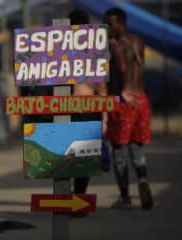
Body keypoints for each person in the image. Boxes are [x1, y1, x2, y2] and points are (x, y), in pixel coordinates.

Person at [104, 7, 154, 210]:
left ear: (121, 23)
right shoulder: (138, 41)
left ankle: (125, 196)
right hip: (141, 100)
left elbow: (124, 67)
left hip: (122, 101)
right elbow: (136, 66)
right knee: (136, 146)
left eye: (110, 23)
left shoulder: (115, 46)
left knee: (118, 150)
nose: (107, 27)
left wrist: (123, 90)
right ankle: (142, 179)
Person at [67, 9, 108, 217]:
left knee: (68, 158)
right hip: (85, 108)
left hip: (68, 109)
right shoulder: (94, 52)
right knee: (82, 159)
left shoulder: (57, 51)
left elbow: (101, 89)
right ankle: (76, 201)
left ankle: (75, 201)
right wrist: (104, 119)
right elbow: (101, 90)